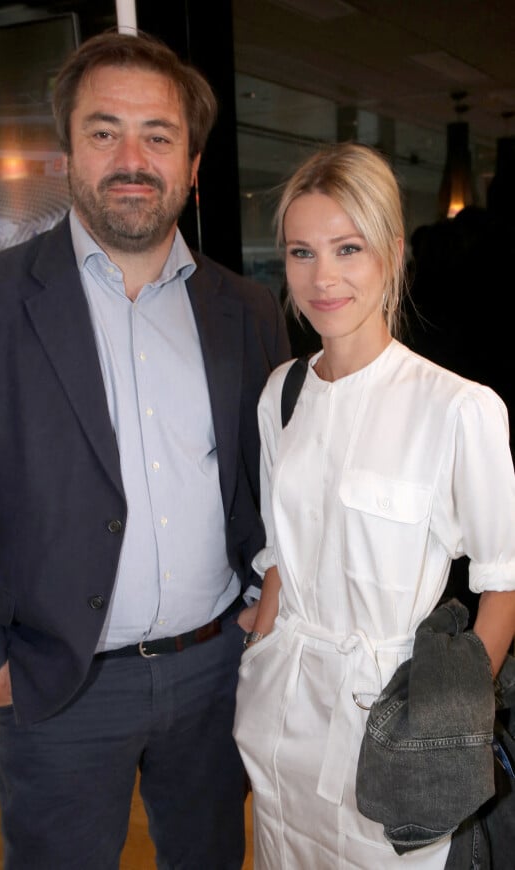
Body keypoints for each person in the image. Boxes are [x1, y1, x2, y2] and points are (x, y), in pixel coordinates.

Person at [0, 31, 290, 870]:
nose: (132, 158)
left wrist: (262, 597)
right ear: (67, 154)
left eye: (158, 136)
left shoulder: (248, 310)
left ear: (193, 163)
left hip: (215, 674)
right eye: (104, 131)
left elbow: (276, 481)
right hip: (55, 687)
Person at [233, 142, 515, 868]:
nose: (322, 277)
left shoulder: (458, 408)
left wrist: (442, 719)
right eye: (301, 251)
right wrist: (260, 650)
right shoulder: (283, 392)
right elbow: (280, 558)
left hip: (388, 723)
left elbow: (501, 584)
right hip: (282, 708)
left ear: (390, 254)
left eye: (347, 248)